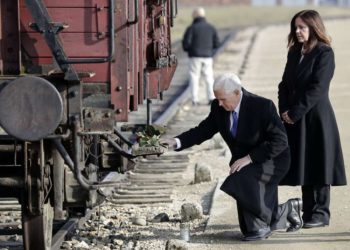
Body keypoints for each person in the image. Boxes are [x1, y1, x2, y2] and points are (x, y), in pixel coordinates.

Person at [161, 73, 302, 241]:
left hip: (272, 158)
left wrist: (249, 158)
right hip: (243, 163)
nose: (219, 103)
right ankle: (285, 211)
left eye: (222, 99)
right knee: (246, 227)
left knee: (239, 180)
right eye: (217, 99)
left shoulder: (262, 106)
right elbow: (203, 131)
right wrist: (176, 141)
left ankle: (263, 225)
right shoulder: (219, 107)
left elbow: (280, 141)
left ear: (237, 92)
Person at [278, 10, 346, 229]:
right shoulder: (294, 52)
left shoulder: (325, 53)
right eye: (295, 27)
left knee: (320, 163)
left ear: (313, 28)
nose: (297, 32)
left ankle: (321, 213)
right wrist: (284, 110)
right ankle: (308, 212)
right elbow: (284, 85)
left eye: (302, 27)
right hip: (295, 118)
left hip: (317, 117)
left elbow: (318, 88)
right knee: (304, 164)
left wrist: (295, 111)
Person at [182, 7, 220, 105]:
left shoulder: (191, 28)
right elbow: (217, 44)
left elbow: (186, 44)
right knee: (209, 77)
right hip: (208, 57)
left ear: (194, 15)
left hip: (194, 57)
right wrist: (209, 51)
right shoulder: (211, 27)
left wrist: (190, 50)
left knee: (194, 77)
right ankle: (211, 98)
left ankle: (195, 99)